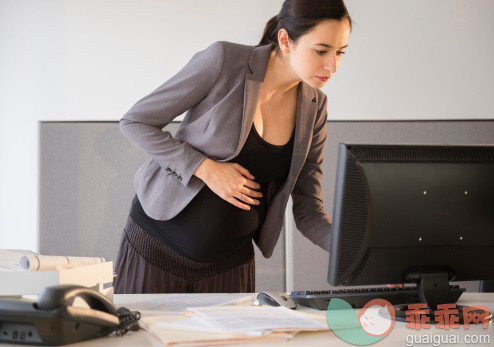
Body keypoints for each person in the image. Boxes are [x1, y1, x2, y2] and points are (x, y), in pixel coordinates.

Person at [113, 0, 352, 294]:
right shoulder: (225, 61)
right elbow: (136, 122)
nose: (333, 65)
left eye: (341, 52)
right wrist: (206, 169)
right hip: (155, 249)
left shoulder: (316, 107)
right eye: (321, 50)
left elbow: (308, 210)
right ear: (285, 40)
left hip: (230, 269)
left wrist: (352, 249)